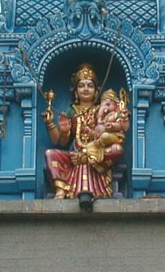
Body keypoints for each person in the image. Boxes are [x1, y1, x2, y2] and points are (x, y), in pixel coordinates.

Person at [43, 63, 129, 199]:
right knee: (50, 154)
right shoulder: (72, 111)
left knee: (117, 149)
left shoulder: (102, 109)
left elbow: (111, 131)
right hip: (75, 157)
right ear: (75, 91)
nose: (86, 89)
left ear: (96, 91)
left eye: (90, 85)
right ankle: (61, 189)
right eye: (81, 85)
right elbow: (60, 142)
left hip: (96, 156)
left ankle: (92, 163)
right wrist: (56, 127)